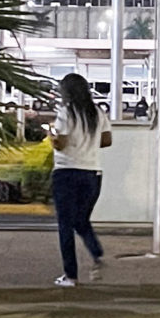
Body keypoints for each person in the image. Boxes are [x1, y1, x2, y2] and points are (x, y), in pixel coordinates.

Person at [46, 72, 109, 288]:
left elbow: (60, 144)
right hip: (92, 174)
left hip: (66, 173)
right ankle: (97, 253)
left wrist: (51, 135)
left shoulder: (66, 113)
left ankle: (70, 276)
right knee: (81, 220)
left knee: (65, 225)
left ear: (67, 92)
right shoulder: (97, 112)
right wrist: (87, 144)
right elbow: (107, 140)